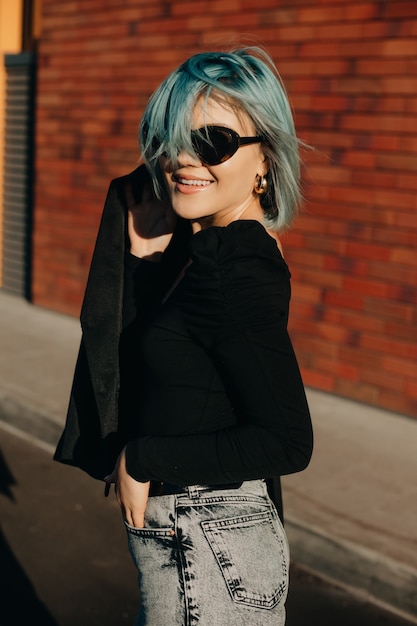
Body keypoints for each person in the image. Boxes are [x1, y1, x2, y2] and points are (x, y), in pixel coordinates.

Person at [54, 46, 313, 625]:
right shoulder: (210, 250)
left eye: (213, 142)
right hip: (204, 535)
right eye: (169, 139)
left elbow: (287, 440)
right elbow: (181, 366)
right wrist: (145, 265)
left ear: (265, 160)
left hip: (208, 543)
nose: (181, 159)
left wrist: (143, 459)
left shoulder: (234, 265)